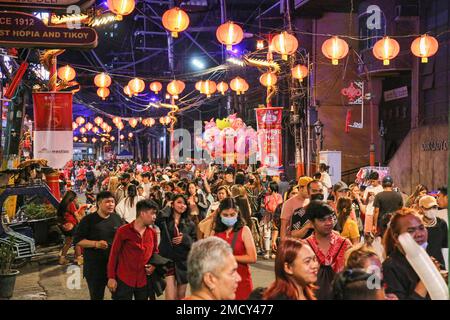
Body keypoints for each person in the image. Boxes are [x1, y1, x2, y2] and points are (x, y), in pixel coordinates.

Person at [382, 208, 442, 300]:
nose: (419, 234)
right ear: (396, 237)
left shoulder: (425, 258)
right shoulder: (390, 267)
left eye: (421, 228)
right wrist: (427, 277)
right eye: (411, 231)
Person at [74, 191, 123, 300]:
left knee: (119, 295)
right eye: (107, 202)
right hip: (95, 268)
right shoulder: (88, 220)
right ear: (99, 203)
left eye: (112, 202)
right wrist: (95, 244)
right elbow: (78, 240)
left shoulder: (117, 218)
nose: (111, 204)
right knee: (97, 296)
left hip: (115, 266)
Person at [107, 200, 159, 300]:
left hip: (143, 281)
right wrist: (111, 277)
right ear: (142, 213)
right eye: (152, 213)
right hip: (124, 280)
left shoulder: (153, 233)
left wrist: (153, 265)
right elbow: (114, 255)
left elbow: (155, 253)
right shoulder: (123, 231)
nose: (155, 216)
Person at [305, 200, 352, 300]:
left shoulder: (345, 245)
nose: (328, 223)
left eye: (330, 218)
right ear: (312, 223)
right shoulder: (304, 246)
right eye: (322, 220)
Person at [214, 198, 257, 300]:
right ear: (219, 214)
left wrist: (230, 257)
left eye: (232, 215)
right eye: (225, 215)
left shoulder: (244, 230)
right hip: (221, 283)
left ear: (237, 213)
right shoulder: (216, 231)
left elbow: (252, 257)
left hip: (242, 282)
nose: (229, 218)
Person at [156, 194, 196, 300]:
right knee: (170, 297)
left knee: (181, 296)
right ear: (172, 204)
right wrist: (167, 207)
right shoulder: (165, 220)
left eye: (184, 203)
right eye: (179, 202)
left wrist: (185, 239)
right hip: (168, 261)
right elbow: (157, 218)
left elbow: (195, 243)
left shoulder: (190, 224)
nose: (182, 205)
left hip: (183, 263)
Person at [56, 190, 86, 265]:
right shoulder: (71, 204)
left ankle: (62, 259)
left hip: (64, 226)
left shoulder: (62, 204)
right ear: (72, 198)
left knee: (68, 243)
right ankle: (79, 259)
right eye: (75, 198)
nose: (76, 199)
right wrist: (80, 224)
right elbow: (76, 215)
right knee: (78, 241)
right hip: (72, 225)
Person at [418, 195, 448, 268]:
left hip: (439, 263)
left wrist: (446, 265)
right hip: (422, 264)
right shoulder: (417, 225)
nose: (432, 210)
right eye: (428, 208)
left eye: (434, 207)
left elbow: (445, 246)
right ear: (421, 208)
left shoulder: (441, 223)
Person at [280, 176, 313, 241]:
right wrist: (283, 244)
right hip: (293, 242)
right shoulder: (289, 203)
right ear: (301, 188)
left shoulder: (311, 201)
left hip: (309, 242)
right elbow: (283, 226)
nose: (310, 191)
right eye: (308, 189)